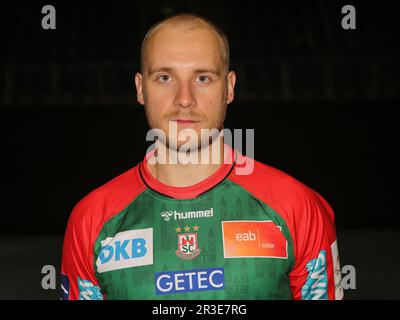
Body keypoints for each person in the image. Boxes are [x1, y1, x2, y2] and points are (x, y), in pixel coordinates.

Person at [60, 13, 344, 300]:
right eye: (165, 77)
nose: (185, 98)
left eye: (203, 77)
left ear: (229, 88)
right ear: (140, 88)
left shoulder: (296, 206)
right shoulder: (92, 220)